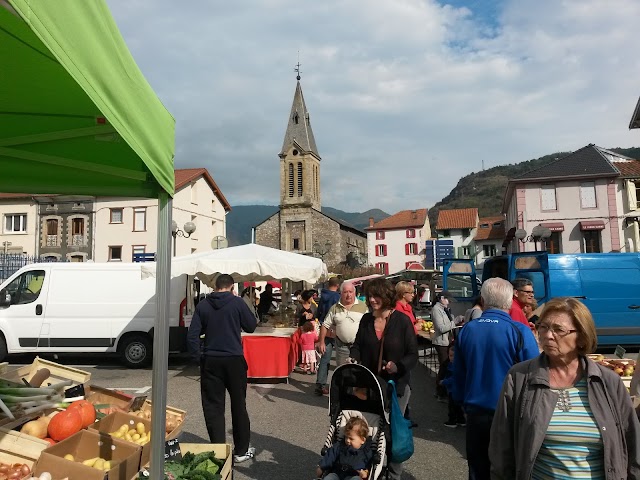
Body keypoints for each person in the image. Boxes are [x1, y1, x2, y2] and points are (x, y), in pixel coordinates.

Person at [489, 297, 640, 479]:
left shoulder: (608, 382)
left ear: (582, 337)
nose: (548, 335)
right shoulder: (520, 377)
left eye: (558, 329)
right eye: (543, 327)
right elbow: (501, 446)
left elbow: (633, 443)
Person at [452, 277, 539, 480]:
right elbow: (535, 375)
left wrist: (460, 401)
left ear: (483, 299)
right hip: (510, 412)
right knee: (509, 468)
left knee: (478, 468)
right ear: (510, 301)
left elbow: (458, 373)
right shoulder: (520, 331)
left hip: (476, 411)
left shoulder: (467, 330)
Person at [349, 277, 418, 480]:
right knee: (371, 429)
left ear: (386, 297)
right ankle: (371, 470)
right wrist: (354, 356)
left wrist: (398, 366)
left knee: (393, 433)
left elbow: (413, 354)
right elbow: (358, 345)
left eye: (376, 296)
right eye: (370, 296)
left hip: (397, 386)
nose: (371, 300)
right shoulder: (366, 320)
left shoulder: (402, 321)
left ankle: (394, 474)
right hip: (371, 384)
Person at [186, 274, 258, 463]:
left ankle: (218, 451)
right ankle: (241, 450)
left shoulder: (203, 305)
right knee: (238, 405)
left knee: (213, 407)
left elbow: (192, 335)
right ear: (232, 287)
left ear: (215, 287)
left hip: (211, 360)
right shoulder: (237, 303)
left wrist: (198, 358)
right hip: (234, 359)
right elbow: (251, 326)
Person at [319, 281, 368, 367]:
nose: (348, 295)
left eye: (350, 292)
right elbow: (325, 325)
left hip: (359, 347)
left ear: (354, 293)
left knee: (358, 372)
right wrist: (321, 342)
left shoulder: (363, 306)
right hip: (342, 347)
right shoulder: (335, 308)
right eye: (345, 292)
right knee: (343, 372)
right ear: (341, 293)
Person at [314, 277, 342, 396]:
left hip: (323, 328)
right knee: (341, 358)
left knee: (325, 357)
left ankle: (320, 384)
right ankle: (341, 385)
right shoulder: (336, 297)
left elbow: (319, 312)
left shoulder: (322, 296)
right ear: (337, 285)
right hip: (334, 328)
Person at [431, 290, 458, 400]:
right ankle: (440, 392)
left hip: (447, 341)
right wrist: (454, 322)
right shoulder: (436, 310)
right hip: (441, 343)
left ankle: (443, 391)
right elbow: (441, 328)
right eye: (448, 300)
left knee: (446, 366)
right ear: (442, 298)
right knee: (444, 367)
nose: (449, 302)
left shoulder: (444, 309)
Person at [438, 343, 465, 428]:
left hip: (454, 389)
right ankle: (461, 420)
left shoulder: (456, 367)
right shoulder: (451, 364)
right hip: (453, 389)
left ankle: (452, 420)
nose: (451, 358)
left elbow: (454, 379)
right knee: (457, 406)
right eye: (450, 355)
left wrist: (444, 382)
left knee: (452, 406)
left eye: (453, 356)